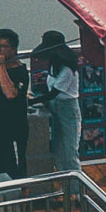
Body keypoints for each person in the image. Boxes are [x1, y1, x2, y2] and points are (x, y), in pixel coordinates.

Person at [0, 27, 30, 179]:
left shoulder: (20, 71)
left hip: (13, 131)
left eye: (2, 46)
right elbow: (3, 84)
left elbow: (11, 93)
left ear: (13, 49)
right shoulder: (1, 70)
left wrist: (0, 65)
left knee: (13, 173)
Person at [35, 30, 82, 172]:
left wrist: (31, 101)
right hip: (55, 106)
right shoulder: (54, 66)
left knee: (70, 150)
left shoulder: (68, 70)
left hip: (68, 108)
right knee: (58, 149)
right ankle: (63, 178)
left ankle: (76, 183)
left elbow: (53, 93)